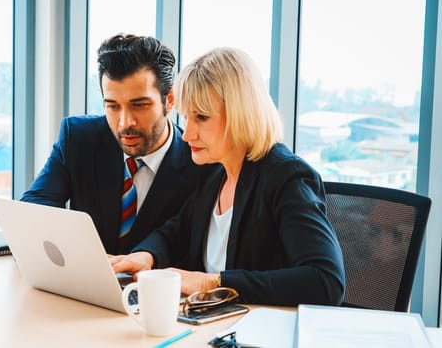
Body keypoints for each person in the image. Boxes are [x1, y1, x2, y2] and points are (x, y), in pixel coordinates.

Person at [110, 47, 346, 306]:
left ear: (240, 114)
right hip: (207, 323)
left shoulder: (287, 177)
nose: (187, 134)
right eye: (186, 117)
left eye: (201, 117)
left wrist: (209, 282)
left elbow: (325, 281)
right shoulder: (216, 173)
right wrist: (147, 255)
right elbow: (177, 230)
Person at [21, 34, 214, 255]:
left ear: (169, 100)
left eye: (139, 105)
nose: (125, 123)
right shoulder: (79, 138)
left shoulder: (201, 164)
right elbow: (35, 206)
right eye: (112, 106)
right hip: (82, 283)